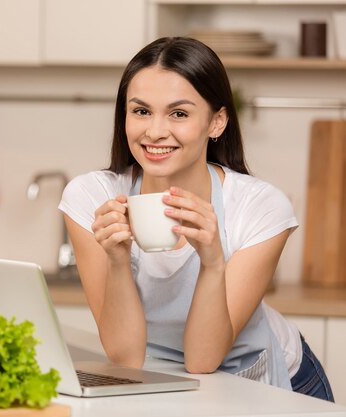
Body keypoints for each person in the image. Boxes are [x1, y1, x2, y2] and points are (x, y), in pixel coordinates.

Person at [58, 37, 334, 401]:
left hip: (271, 382)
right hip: (167, 380)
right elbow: (125, 357)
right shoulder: (91, 198)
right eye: (141, 111)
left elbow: (203, 359)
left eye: (179, 113)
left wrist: (213, 261)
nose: (155, 131)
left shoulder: (259, 206)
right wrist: (118, 260)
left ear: (216, 122)